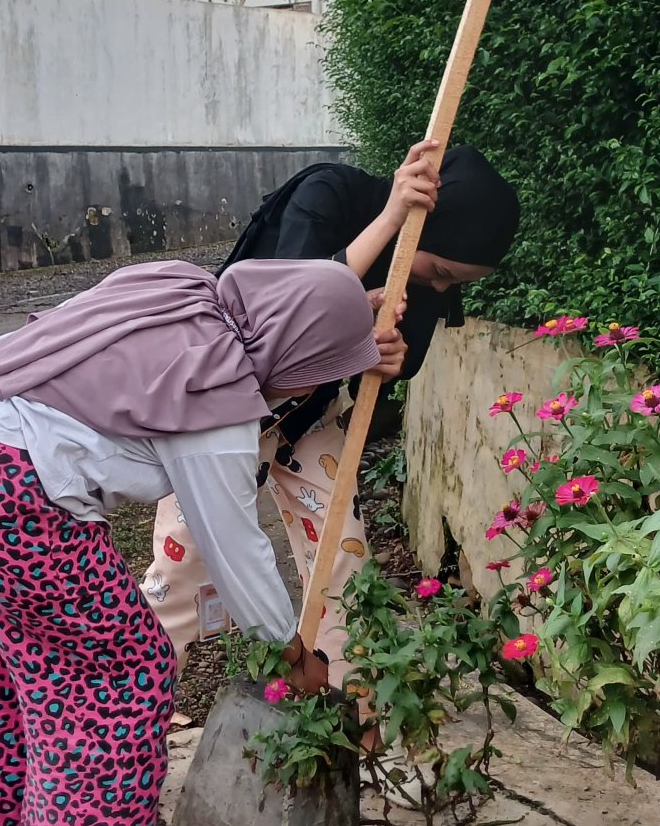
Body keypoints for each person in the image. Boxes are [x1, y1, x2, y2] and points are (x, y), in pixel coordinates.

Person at [0, 257, 381, 826]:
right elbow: (237, 552)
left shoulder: (183, 288)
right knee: (123, 674)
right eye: (315, 378)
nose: (306, 394)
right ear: (297, 358)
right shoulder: (215, 391)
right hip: (3, 490)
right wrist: (296, 658)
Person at [141, 141, 521, 681]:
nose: (440, 287)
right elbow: (286, 311)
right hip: (227, 411)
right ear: (421, 228)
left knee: (344, 559)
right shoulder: (328, 195)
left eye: (455, 283)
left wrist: (386, 358)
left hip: (310, 414)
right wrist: (390, 221)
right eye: (440, 269)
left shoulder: (425, 271)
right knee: (185, 565)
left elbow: (395, 364)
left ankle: (339, 702)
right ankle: (129, 703)